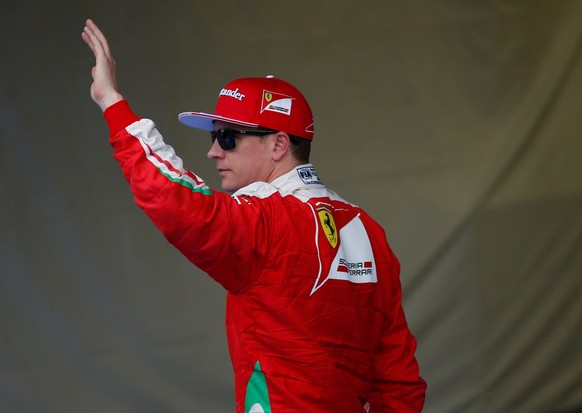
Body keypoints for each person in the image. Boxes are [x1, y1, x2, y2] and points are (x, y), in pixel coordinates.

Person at [82, 18, 426, 413]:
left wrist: (111, 101)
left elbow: (173, 198)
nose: (213, 152)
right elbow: (399, 381)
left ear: (279, 144)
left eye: (227, 137)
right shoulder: (368, 231)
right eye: (213, 136)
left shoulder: (266, 221)